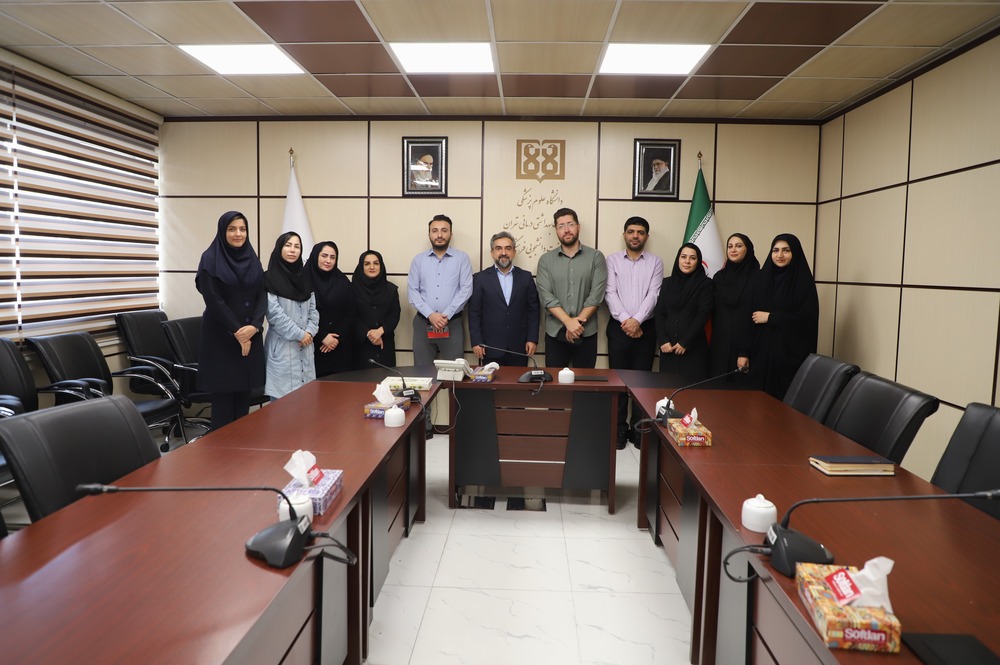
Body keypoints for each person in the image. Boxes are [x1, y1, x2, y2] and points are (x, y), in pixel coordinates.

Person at [195, 210, 266, 430]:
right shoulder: (210, 259)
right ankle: (221, 451)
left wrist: (254, 327)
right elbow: (213, 301)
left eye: (242, 229)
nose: (238, 234)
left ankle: (242, 450)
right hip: (222, 339)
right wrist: (238, 332)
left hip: (250, 337)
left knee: (243, 400)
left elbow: (262, 295)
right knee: (224, 405)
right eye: (232, 229)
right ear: (222, 231)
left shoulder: (252, 258)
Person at [737, 233, 819, 399]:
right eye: (776, 250)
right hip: (760, 355)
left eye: (786, 250)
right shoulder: (761, 279)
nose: (780, 255)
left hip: (788, 358)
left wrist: (771, 318)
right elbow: (748, 318)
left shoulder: (804, 284)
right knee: (755, 403)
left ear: (795, 253)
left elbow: (806, 320)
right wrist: (743, 352)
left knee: (783, 405)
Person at [605, 216, 663, 448]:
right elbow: (610, 293)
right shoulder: (612, 260)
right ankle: (618, 429)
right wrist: (627, 321)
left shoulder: (655, 262)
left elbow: (654, 294)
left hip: (646, 328)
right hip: (618, 327)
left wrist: (637, 320)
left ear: (646, 236)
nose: (635, 236)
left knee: (641, 382)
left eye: (640, 232)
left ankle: (639, 430)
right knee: (618, 382)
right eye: (631, 231)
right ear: (624, 235)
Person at [535, 207, 607, 368]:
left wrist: (576, 324)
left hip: (586, 332)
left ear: (578, 227)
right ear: (556, 231)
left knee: (585, 381)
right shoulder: (545, 261)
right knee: (555, 381)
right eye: (561, 226)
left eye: (570, 224)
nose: (566, 230)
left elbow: (596, 296)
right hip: (555, 333)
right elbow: (546, 297)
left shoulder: (596, 257)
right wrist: (568, 322)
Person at [407, 214, 473, 367]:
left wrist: (445, 315)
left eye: (444, 230)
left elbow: (466, 289)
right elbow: (412, 291)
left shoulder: (462, 258)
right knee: (422, 373)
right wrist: (430, 315)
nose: (439, 235)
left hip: (452, 323)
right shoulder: (418, 260)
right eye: (435, 230)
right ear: (429, 234)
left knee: (454, 373)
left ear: (451, 234)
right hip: (423, 323)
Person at [468, 231, 540, 367]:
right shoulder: (480, 278)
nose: (503, 253)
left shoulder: (526, 277)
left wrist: (532, 339)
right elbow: (474, 313)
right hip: (490, 347)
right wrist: (476, 341)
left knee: (518, 380)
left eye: (508, 248)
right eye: (498, 248)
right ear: (492, 253)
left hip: (520, 347)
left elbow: (533, 311)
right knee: (492, 381)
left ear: (514, 252)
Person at [263, 232, 319, 399]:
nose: (292, 250)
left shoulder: (306, 278)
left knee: (306, 403)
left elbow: (314, 311)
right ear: (279, 248)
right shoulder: (269, 278)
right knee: (281, 406)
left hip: (306, 345)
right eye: (288, 245)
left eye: (297, 246)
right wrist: (300, 334)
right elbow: (274, 314)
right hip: (282, 347)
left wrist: (309, 332)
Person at [655, 243, 714, 384]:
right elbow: (660, 313)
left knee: (692, 392)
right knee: (667, 390)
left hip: (693, 349)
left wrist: (685, 342)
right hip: (668, 348)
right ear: (678, 259)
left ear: (698, 262)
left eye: (692, 258)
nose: (687, 261)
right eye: (683, 257)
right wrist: (662, 340)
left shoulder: (705, 284)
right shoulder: (667, 283)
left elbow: (703, 315)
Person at [708, 233, 760, 382]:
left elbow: (756, 316)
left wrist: (745, 351)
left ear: (747, 249)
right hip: (719, 345)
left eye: (738, 246)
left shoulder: (758, 277)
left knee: (740, 392)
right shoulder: (719, 277)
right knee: (716, 390)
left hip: (746, 345)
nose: (733, 250)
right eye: (730, 246)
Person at [306, 241, 355, 377]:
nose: (328, 261)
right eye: (324, 256)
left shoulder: (342, 281)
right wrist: (322, 336)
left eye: (332, 257)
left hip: (339, 346)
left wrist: (335, 338)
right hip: (312, 344)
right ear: (315, 256)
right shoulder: (303, 280)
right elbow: (300, 314)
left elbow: (351, 312)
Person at [352, 249, 401, 368]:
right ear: (361, 267)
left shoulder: (391, 289)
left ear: (381, 266)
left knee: (386, 377)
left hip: (385, 342)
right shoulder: (351, 289)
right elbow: (350, 315)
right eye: (367, 264)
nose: (372, 267)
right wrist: (368, 333)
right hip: (361, 344)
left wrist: (381, 330)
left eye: (376, 263)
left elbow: (395, 314)